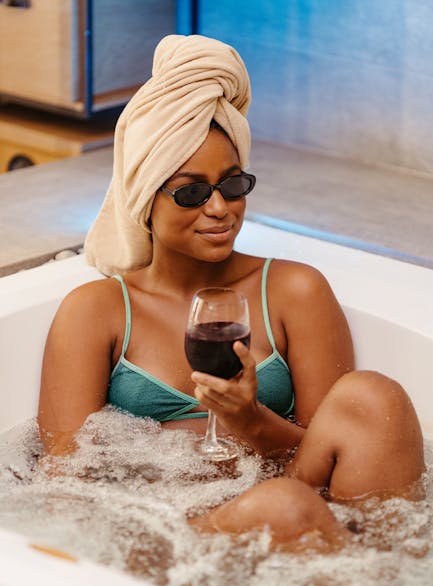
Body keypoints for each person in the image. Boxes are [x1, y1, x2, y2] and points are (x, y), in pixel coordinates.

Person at [38, 34, 425, 549]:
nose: (220, 208)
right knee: (283, 507)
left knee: (374, 398)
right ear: (144, 197)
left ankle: (385, 578)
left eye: (233, 184)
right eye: (192, 191)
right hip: (165, 538)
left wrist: (248, 419)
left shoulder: (294, 291)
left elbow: (330, 457)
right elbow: (65, 491)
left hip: (296, 509)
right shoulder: (98, 312)